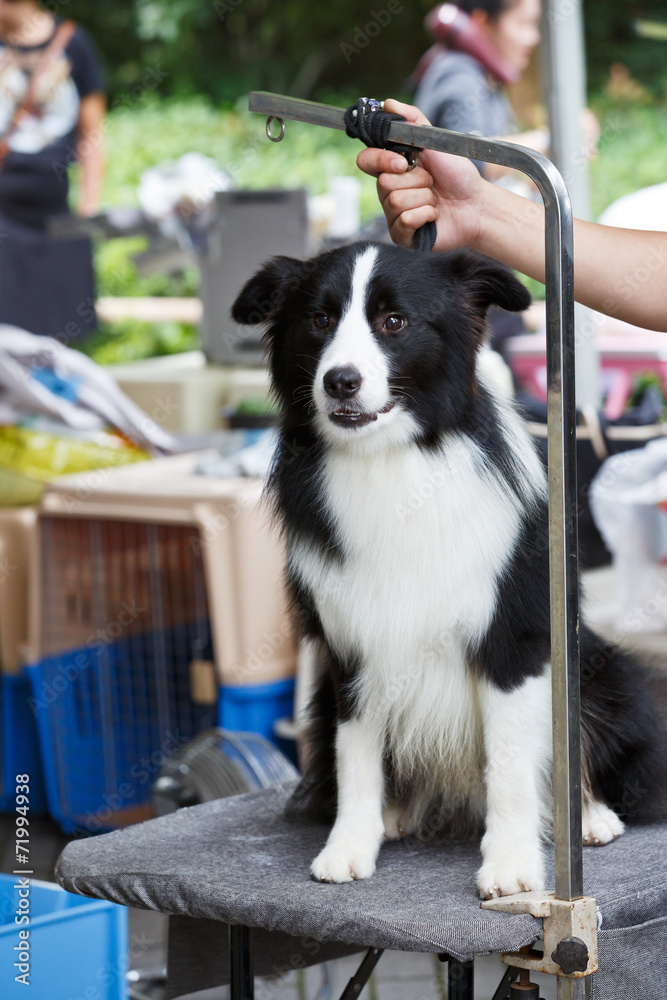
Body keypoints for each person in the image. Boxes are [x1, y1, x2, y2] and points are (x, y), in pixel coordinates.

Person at [357, 99, 667, 333]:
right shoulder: (461, 78)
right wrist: (476, 209)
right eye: (524, 24)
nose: (531, 36)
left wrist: (478, 210)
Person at [0, 0, 105, 342]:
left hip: (56, 215)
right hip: (3, 218)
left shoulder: (72, 41)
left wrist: (89, 206)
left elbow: (91, 133)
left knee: (58, 334)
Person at [414, 0, 549, 183]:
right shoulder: (460, 73)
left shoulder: (485, 74)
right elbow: (471, 159)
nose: (534, 37)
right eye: (523, 23)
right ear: (482, 22)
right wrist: (549, 139)